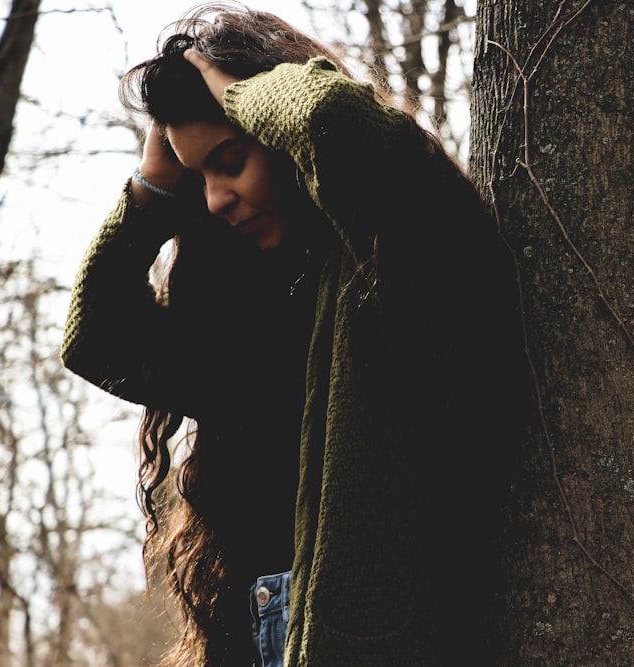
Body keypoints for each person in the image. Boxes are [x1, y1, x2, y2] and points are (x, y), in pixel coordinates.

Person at [60, 3, 527, 665]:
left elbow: (333, 121)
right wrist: (154, 191)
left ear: (272, 126)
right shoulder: (243, 310)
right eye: (199, 179)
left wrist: (225, 79)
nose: (216, 196)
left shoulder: (390, 258)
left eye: (230, 159)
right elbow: (97, 337)